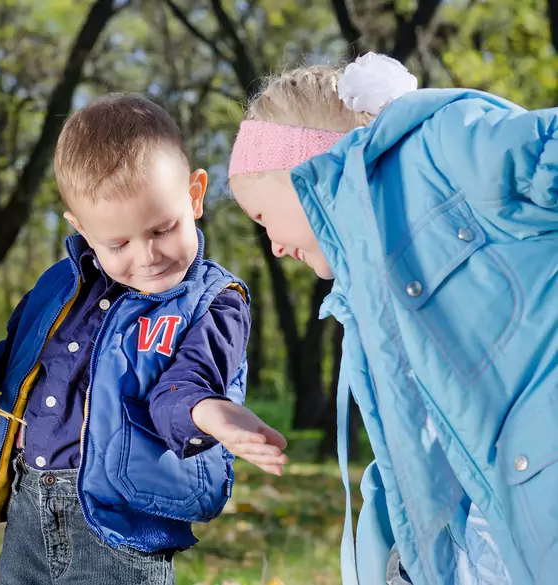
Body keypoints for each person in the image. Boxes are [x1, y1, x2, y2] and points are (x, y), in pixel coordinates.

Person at [0, 93, 288, 585]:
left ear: (195, 195)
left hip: (121, 529)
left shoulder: (213, 301)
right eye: (118, 243)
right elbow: (10, 369)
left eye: (163, 228)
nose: (147, 255)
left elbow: (188, 384)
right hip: (29, 510)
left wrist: (211, 414)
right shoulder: (58, 287)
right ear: (83, 229)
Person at [227, 52, 557, 585]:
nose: (274, 246)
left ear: (300, 170)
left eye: (262, 217)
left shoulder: (443, 152)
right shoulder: (367, 297)